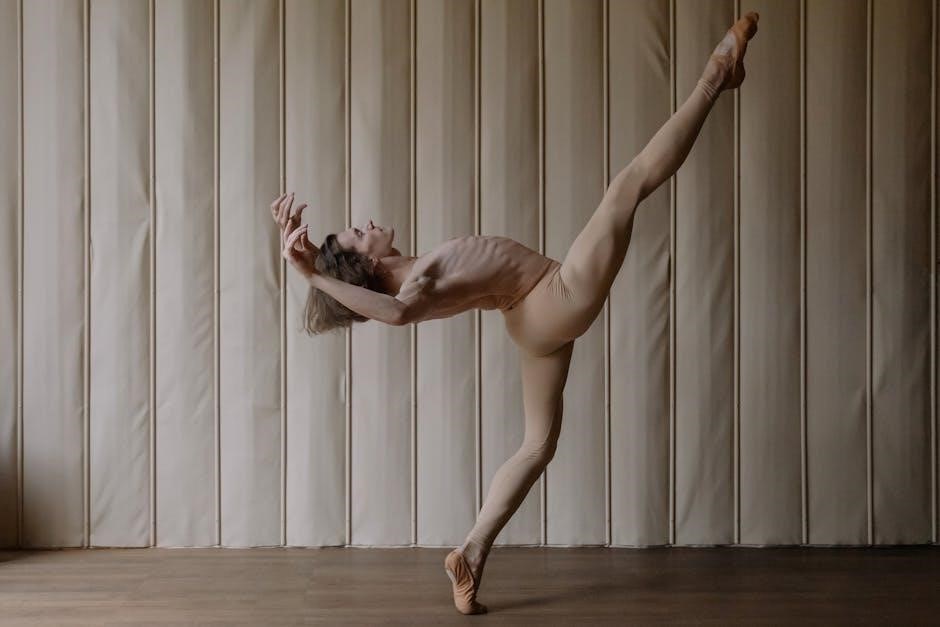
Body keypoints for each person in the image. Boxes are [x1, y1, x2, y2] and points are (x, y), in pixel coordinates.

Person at [271, 11, 759, 615]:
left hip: (530, 323)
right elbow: (394, 315)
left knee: (536, 445)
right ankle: (716, 74)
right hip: (553, 298)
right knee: (626, 187)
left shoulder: (413, 272)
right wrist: (314, 274)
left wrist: (315, 267)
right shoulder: (417, 282)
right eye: (357, 231)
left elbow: (387, 306)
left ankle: (471, 554)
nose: (365, 222)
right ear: (365, 263)